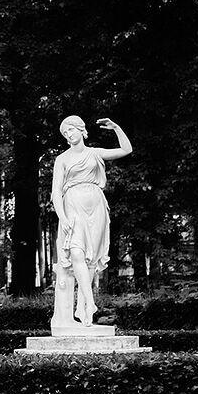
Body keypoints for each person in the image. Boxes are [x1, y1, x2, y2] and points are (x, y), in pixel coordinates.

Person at [50, 115, 132, 326]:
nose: (69, 135)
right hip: (73, 206)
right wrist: (62, 217)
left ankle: (82, 306)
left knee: (90, 260)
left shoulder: (95, 153)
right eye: (65, 133)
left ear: (81, 130)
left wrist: (116, 127)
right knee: (76, 252)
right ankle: (90, 302)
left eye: (71, 130)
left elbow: (126, 150)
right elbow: (56, 192)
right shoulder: (62, 159)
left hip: (96, 206)